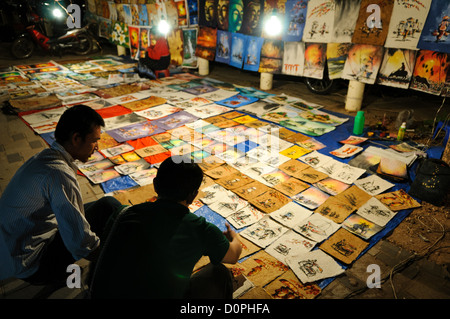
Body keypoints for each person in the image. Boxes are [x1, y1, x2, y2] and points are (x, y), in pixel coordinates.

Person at [0, 105, 122, 285]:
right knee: (105, 213)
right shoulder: (59, 174)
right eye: (94, 141)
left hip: (12, 251)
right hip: (32, 264)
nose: (97, 147)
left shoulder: (47, 156)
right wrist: (111, 260)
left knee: (107, 205)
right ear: (76, 138)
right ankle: (61, 275)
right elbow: (81, 242)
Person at [89, 156, 242, 299]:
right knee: (220, 273)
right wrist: (234, 237)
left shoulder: (122, 214)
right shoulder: (202, 229)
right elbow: (233, 256)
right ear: (193, 195)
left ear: (155, 185)